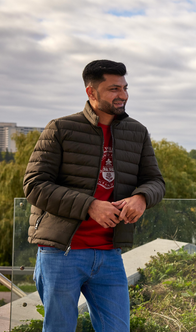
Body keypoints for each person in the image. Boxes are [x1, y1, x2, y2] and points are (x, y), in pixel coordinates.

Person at [23, 59, 165, 332]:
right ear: (91, 92)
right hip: (60, 254)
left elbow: (154, 181)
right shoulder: (61, 129)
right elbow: (34, 185)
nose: (122, 95)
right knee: (59, 328)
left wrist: (142, 197)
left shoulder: (138, 132)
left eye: (124, 87)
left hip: (109, 255)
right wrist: (89, 206)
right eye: (113, 88)